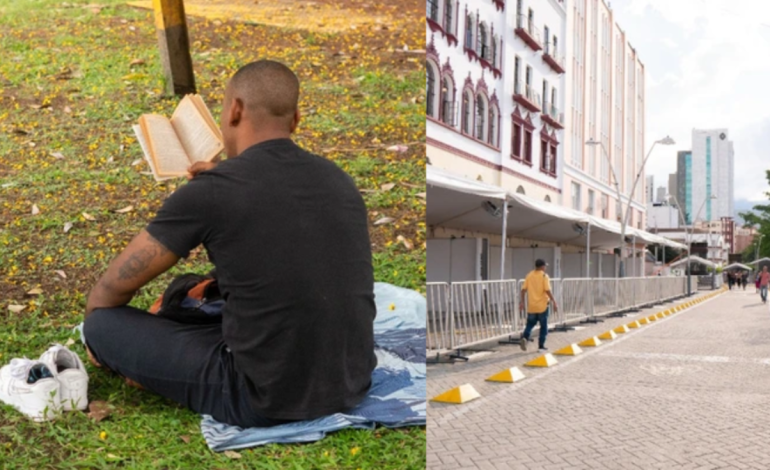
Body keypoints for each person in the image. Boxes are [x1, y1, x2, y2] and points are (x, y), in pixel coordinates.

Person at [82, 60, 377, 427]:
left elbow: (113, 288)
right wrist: (219, 181)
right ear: (295, 119)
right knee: (194, 289)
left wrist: (97, 332)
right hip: (351, 379)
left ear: (235, 109)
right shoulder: (339, 180)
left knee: (103, 325)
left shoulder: (214, 192)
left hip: (259, 394)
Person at [519, 259, 558, 352]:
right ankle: (541, 346)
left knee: (530, 324)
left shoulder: (529, 275)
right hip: (543, 306)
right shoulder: (544, 276)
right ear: (542, 267)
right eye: (545, 266)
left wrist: (522, 302)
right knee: (543, 326)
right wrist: (554, 301)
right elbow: (547, 290)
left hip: (532, 306)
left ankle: (525, 337)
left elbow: (523, 290)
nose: (546, 268)